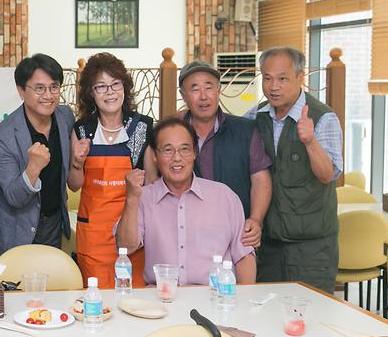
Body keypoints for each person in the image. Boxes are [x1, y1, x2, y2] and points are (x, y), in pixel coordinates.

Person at [244, 46, 343, 293]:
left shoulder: (323, 117)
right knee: (266, 319)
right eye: (267, 78)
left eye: (282, 78)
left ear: (301, 77)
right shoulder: (255, 117)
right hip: (268, 246)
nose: (273, 86)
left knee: (312, 321)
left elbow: (328, 174)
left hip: (312, 248)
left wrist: (310, 141)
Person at [116, 117, 256, 285]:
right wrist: (131, 199)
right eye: (168, 150)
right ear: (154, 155)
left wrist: (244, 302)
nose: (177, 158)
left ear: (195, 152)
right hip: (160, 300)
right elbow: (125, 246)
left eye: (185, 149)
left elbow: (244, 256)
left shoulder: (224, 196)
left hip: (215, 299)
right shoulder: (143, 197)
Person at [67, 52, 156, 288]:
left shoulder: (142, 128)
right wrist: (77, 161)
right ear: (90, 93)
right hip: (93, 236)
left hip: (132, 233)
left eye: (115, 84)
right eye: (101, 87)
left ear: (125, 87)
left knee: (133, 298)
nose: (110, 92)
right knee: (97, 302)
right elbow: (74, 184)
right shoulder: (82, 130)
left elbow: (153, 183)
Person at [178, 60, 272, 248]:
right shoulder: (172, 132)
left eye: (209, 87)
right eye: (195, 89)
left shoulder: (245, 130)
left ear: (219, 90)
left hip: (235, 235)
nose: (203, 96)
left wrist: (256, 219)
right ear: (183, 95)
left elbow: (260, 179)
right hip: (184, 235)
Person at [0, 53, 74, 259]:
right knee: (17, 288)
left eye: (54, 87)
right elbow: (14, 197)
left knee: (53, 285)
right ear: (21, 91)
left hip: (54, 222)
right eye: (39, 88)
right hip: (17, 228)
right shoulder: (2, 138)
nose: (48, 95)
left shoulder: (65, 117)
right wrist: (33, 168)